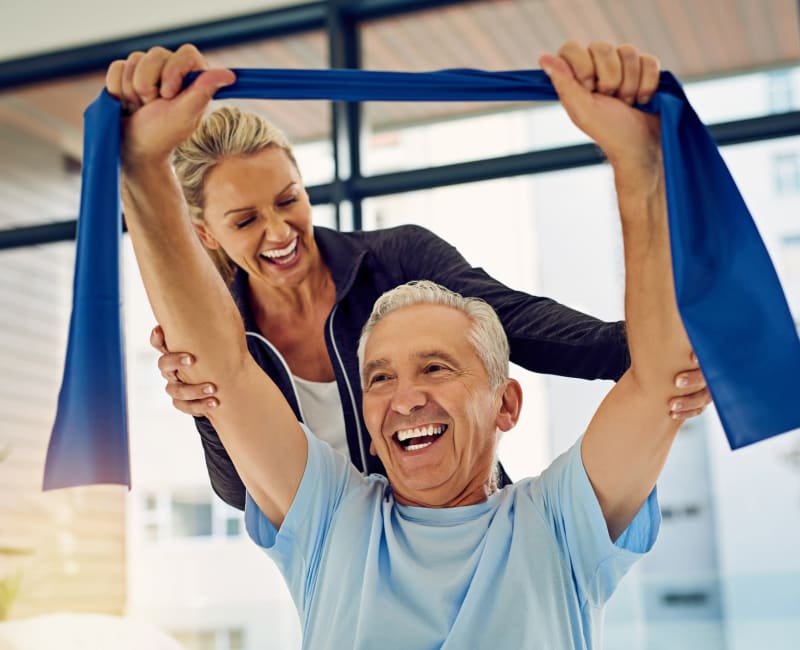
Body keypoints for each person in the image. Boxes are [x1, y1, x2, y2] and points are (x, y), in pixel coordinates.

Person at [111, 39, 700, 648]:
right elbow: (223, 378)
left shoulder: (554, 524)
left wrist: (642, 163)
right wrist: (142, 171)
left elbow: (627, 367)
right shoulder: (333, 522)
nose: (406, 397)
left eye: (436, 367)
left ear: (507, 404)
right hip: (335, 518)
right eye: (379, 378)